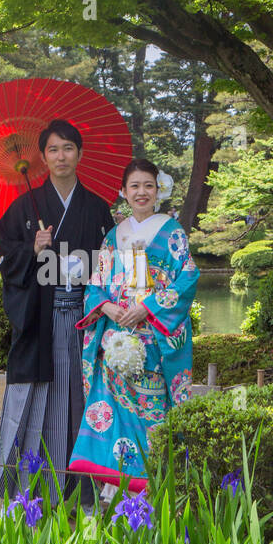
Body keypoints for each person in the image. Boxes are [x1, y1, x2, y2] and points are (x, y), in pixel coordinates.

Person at [0, 118, 114, 512]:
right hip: (42, 324)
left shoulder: (97, 209)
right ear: (43, 158)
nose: (61, 156)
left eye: (68, 148)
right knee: (38, 401)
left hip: (87, 322)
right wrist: (32, 246)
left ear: (79, 154)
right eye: (53, 149)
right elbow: (5, 258)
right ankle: (28, 495)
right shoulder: (23, 209)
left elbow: (112, 270)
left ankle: (87, 494)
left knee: (84, 401)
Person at [67, 158, 199, 494]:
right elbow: (96, 283)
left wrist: (147, 308)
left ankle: (153, 490)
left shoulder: (172, 232)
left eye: (148, 186)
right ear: (123, 192)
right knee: (115, 408)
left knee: (151, 410)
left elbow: (186, 279)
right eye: (135, 186)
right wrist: (108, 306)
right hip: (115, 340)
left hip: (152, 338)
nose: (142, 192)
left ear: (159, 191)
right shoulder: (114, 235)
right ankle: (116, 495)